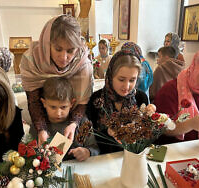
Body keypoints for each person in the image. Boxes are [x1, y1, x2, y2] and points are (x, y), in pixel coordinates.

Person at [20, 15, 93, 145]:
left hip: (72, 122)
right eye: (58, 49)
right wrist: (41, 129)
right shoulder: (33, 60)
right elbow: (34, 100)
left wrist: (73, 123)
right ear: (47, 44)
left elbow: (82, 101)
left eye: (70, 51)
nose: (64, 57)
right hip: (44, 116)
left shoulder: (82, 64)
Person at [86, 50, 149, 154]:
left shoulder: (141, 98)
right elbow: (91, 137)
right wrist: (107, 132)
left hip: (133, 158)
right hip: (102, 160)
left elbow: (146, 137)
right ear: (111, 76)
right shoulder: (96, 99)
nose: (126, 86)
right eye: (121, 79)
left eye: (132, 80)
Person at [29, 77, 99, 161]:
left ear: (71, 103)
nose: (58, 113)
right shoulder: (37, 127)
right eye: (53, 107)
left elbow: (95, 149)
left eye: (63, 107)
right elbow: (29, 156)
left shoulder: (82, 122)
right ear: (44, 103)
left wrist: (87, 152)